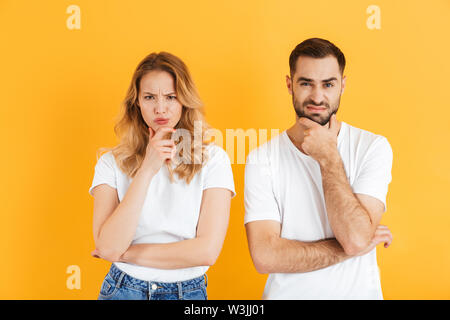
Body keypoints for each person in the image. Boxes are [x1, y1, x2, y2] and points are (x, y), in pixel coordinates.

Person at [244, 38, 394, 299]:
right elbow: (265, 257)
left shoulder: (372, 147)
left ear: (342, 85)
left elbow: (357, 238)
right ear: (290, 85)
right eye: (306, 83)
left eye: (328, 84)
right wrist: (352, 247)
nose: (317, 96)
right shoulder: (262, 158)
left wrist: (328, 157)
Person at [89, 52, 235, 300]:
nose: (160, 108)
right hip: (124, 290)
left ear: (184, 101)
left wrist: (125, 254)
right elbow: (109, 246)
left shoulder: (214, 160)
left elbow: (207, 251)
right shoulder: (109, 163)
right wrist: (147, 168)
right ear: (136, 103)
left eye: (170, 97)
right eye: (149, 97)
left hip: (187, 292)